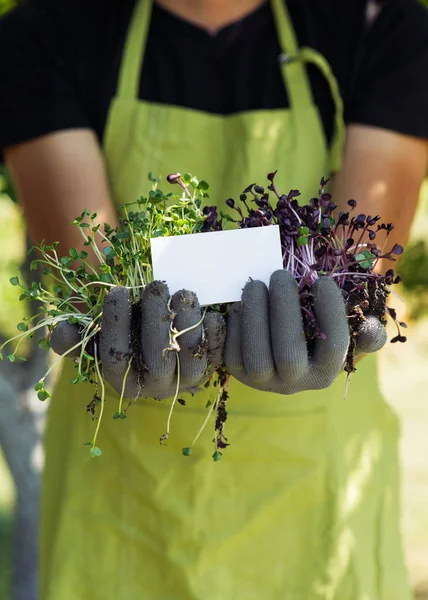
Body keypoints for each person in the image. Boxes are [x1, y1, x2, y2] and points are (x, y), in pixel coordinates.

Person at [1, 0, 428, 598]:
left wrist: (332, 322)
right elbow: (90, 267)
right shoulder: (44, 31)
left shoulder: (378, 24)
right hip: (121, 520)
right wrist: (114, 333)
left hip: (319, 521)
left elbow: (363, 262)